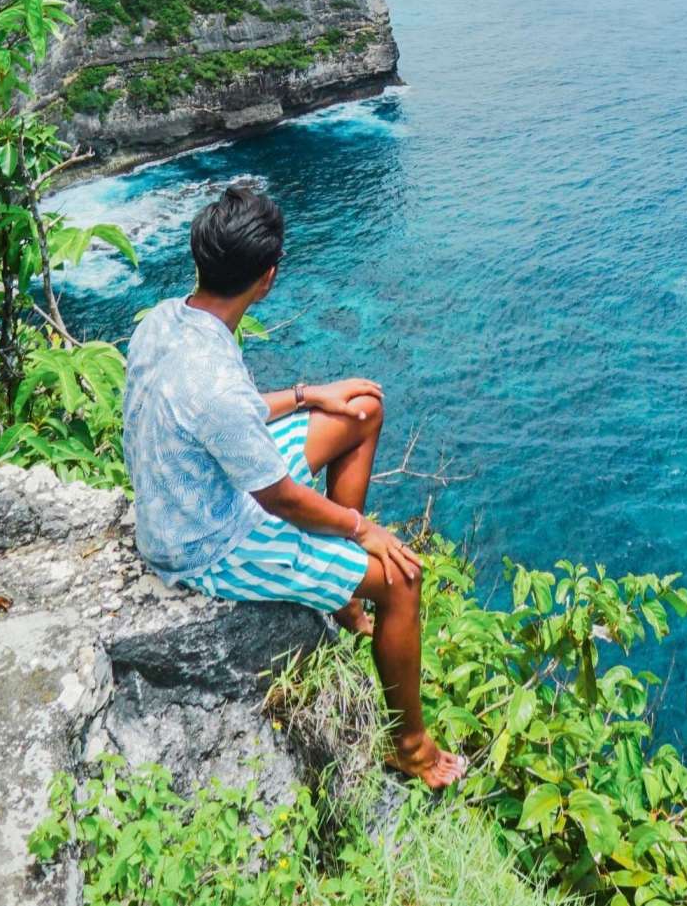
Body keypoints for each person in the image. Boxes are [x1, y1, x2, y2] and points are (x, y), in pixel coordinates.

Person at [123, 180, 465, 789]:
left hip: (200, 488)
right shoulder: (218, 385)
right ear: (268, 278)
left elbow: (220, 419)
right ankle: (409, 746)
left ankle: (338, 594)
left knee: (359, 406)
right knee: (402, 580)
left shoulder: (165, 321)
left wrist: (310, 395)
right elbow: (276, 496)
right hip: (207, 540)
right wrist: (360, 530)